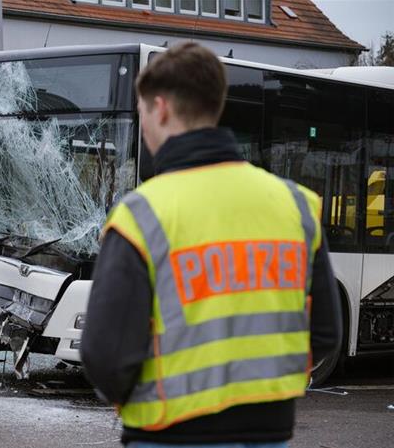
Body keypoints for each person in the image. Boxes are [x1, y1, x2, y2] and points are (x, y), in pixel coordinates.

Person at [80, 42, 342, 448]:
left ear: (161, 109)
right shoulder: (296, 205)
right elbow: (325, 332)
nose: (143, 123)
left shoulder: (142, 215)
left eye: (142, 111)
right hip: (269, 431)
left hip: (168, 433)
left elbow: (106, 355)